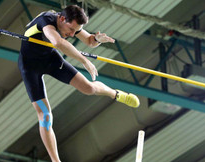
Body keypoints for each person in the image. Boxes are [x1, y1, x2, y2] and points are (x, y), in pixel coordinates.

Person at [18, 5, 140, 162]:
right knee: (45, 116)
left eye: (75, 31)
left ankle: (115, 94)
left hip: (51, 61)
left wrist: (96, 39)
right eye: (70, 30)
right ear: (62, 19)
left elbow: (89, 41)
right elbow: (58, 42)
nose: (71, 34)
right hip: (30, 68)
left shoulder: (69, 23)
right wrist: (84, 60)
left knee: (89, 88)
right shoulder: (46, 21)